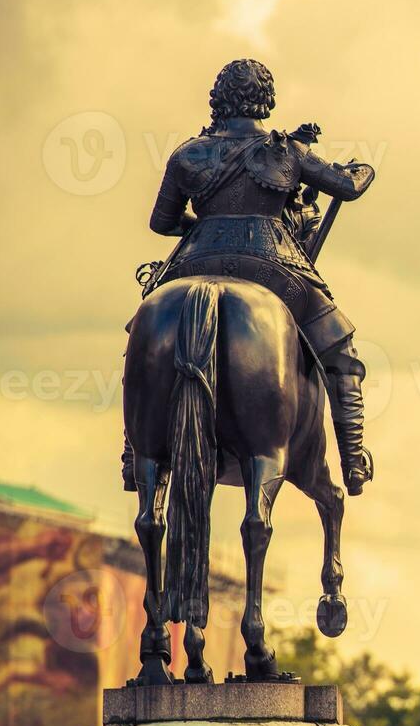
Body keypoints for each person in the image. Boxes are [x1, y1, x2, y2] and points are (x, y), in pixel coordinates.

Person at [126, 58, 376, 495]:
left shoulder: (186, 154)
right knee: (340, 347)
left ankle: (133, 452)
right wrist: (364, 169)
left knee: (140, 340)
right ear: (266, 99)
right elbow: (348, 187)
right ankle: (354, 461)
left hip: (196, 260)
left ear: (218, 99)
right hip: (274, 267)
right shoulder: (287, 152)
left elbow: (161, 222)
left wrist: (203, 226)